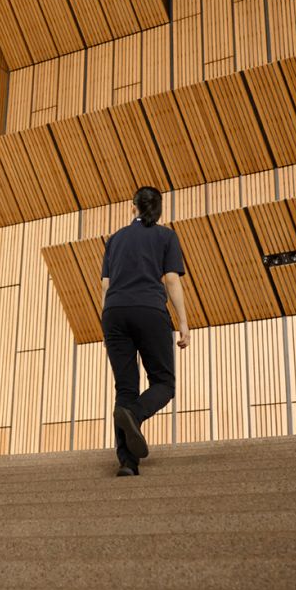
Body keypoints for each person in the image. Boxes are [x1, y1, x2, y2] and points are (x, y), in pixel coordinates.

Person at [102, 186, 190, 477]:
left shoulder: (115, 240)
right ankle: (135, 415)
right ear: (159, 210)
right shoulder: (166, 236)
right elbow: (172, 281)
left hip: (114, 312)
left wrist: (108, 321)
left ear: (132, 207)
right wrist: (183, 323)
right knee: (164, 384)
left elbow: (105, 285)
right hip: (149, 310)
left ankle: (127, 463)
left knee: (125, 388)